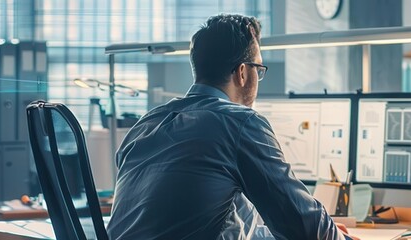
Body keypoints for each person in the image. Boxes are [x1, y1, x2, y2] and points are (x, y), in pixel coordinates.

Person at [107, 14, 359, 240]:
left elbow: (214, 227)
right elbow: (301, 225)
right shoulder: (239, 122)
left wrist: (328, 230)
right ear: (242, 72)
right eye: (258, 69)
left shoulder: (145, 124)